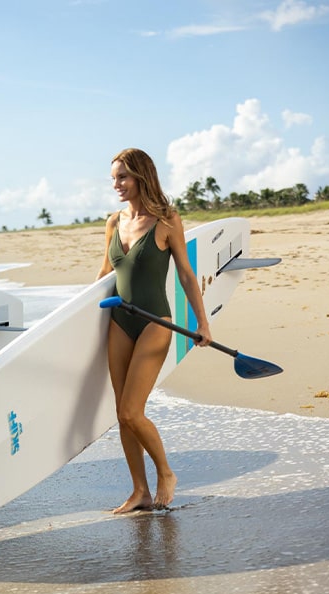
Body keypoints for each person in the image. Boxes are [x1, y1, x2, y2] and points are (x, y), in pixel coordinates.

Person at [96, 148, 212, 514]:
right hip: (119, 321)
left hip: (153, 323)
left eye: (123, 177)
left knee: (132, 411)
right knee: (121, 414)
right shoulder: (114, 222)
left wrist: (202, 323)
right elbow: (104, 275)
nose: (116, 184)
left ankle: (165, 473)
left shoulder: (166, 220)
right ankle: (139, 492)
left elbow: (186, 274)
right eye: (113, 177)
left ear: (142, 177)